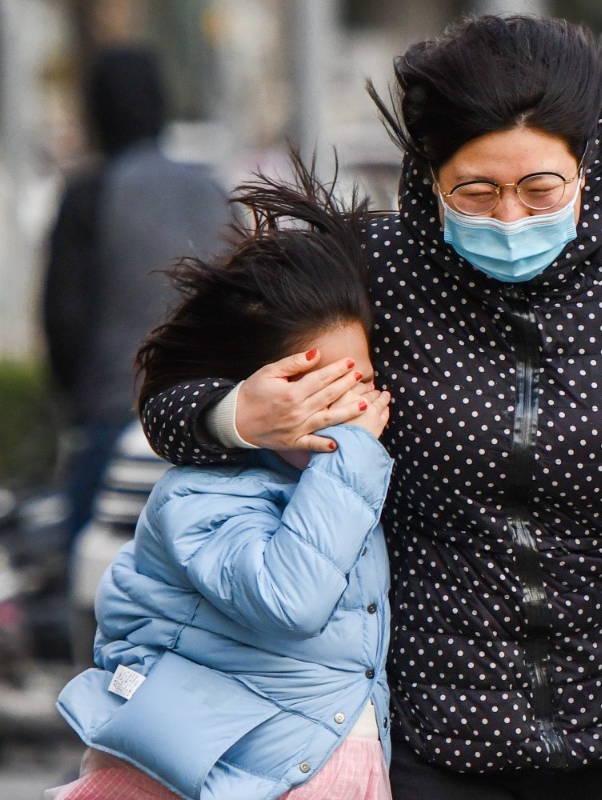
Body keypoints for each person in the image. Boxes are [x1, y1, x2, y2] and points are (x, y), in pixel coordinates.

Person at [140, 15, 602, 800]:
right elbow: (168, 405)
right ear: (428, 176)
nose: (511, 219)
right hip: (411, 717)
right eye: (477, 192)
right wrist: (237, 416)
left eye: (539, 189)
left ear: (590, 164)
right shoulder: (365, 274)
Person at [50, 160, 394, 800]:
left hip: (323, 758)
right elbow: (289, 598)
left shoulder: (337, 483)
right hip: (236, 773)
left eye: (365, 382)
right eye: (325, 388)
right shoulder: (202, 495)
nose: (355, 407)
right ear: (263, 395)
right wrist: (349, 456)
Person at [41, 46, 231, 547]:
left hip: (114, 416)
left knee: (95, 584)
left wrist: (75, 402)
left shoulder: (89, 193)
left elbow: (63, 316)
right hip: (209, 424)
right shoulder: (211, 191)